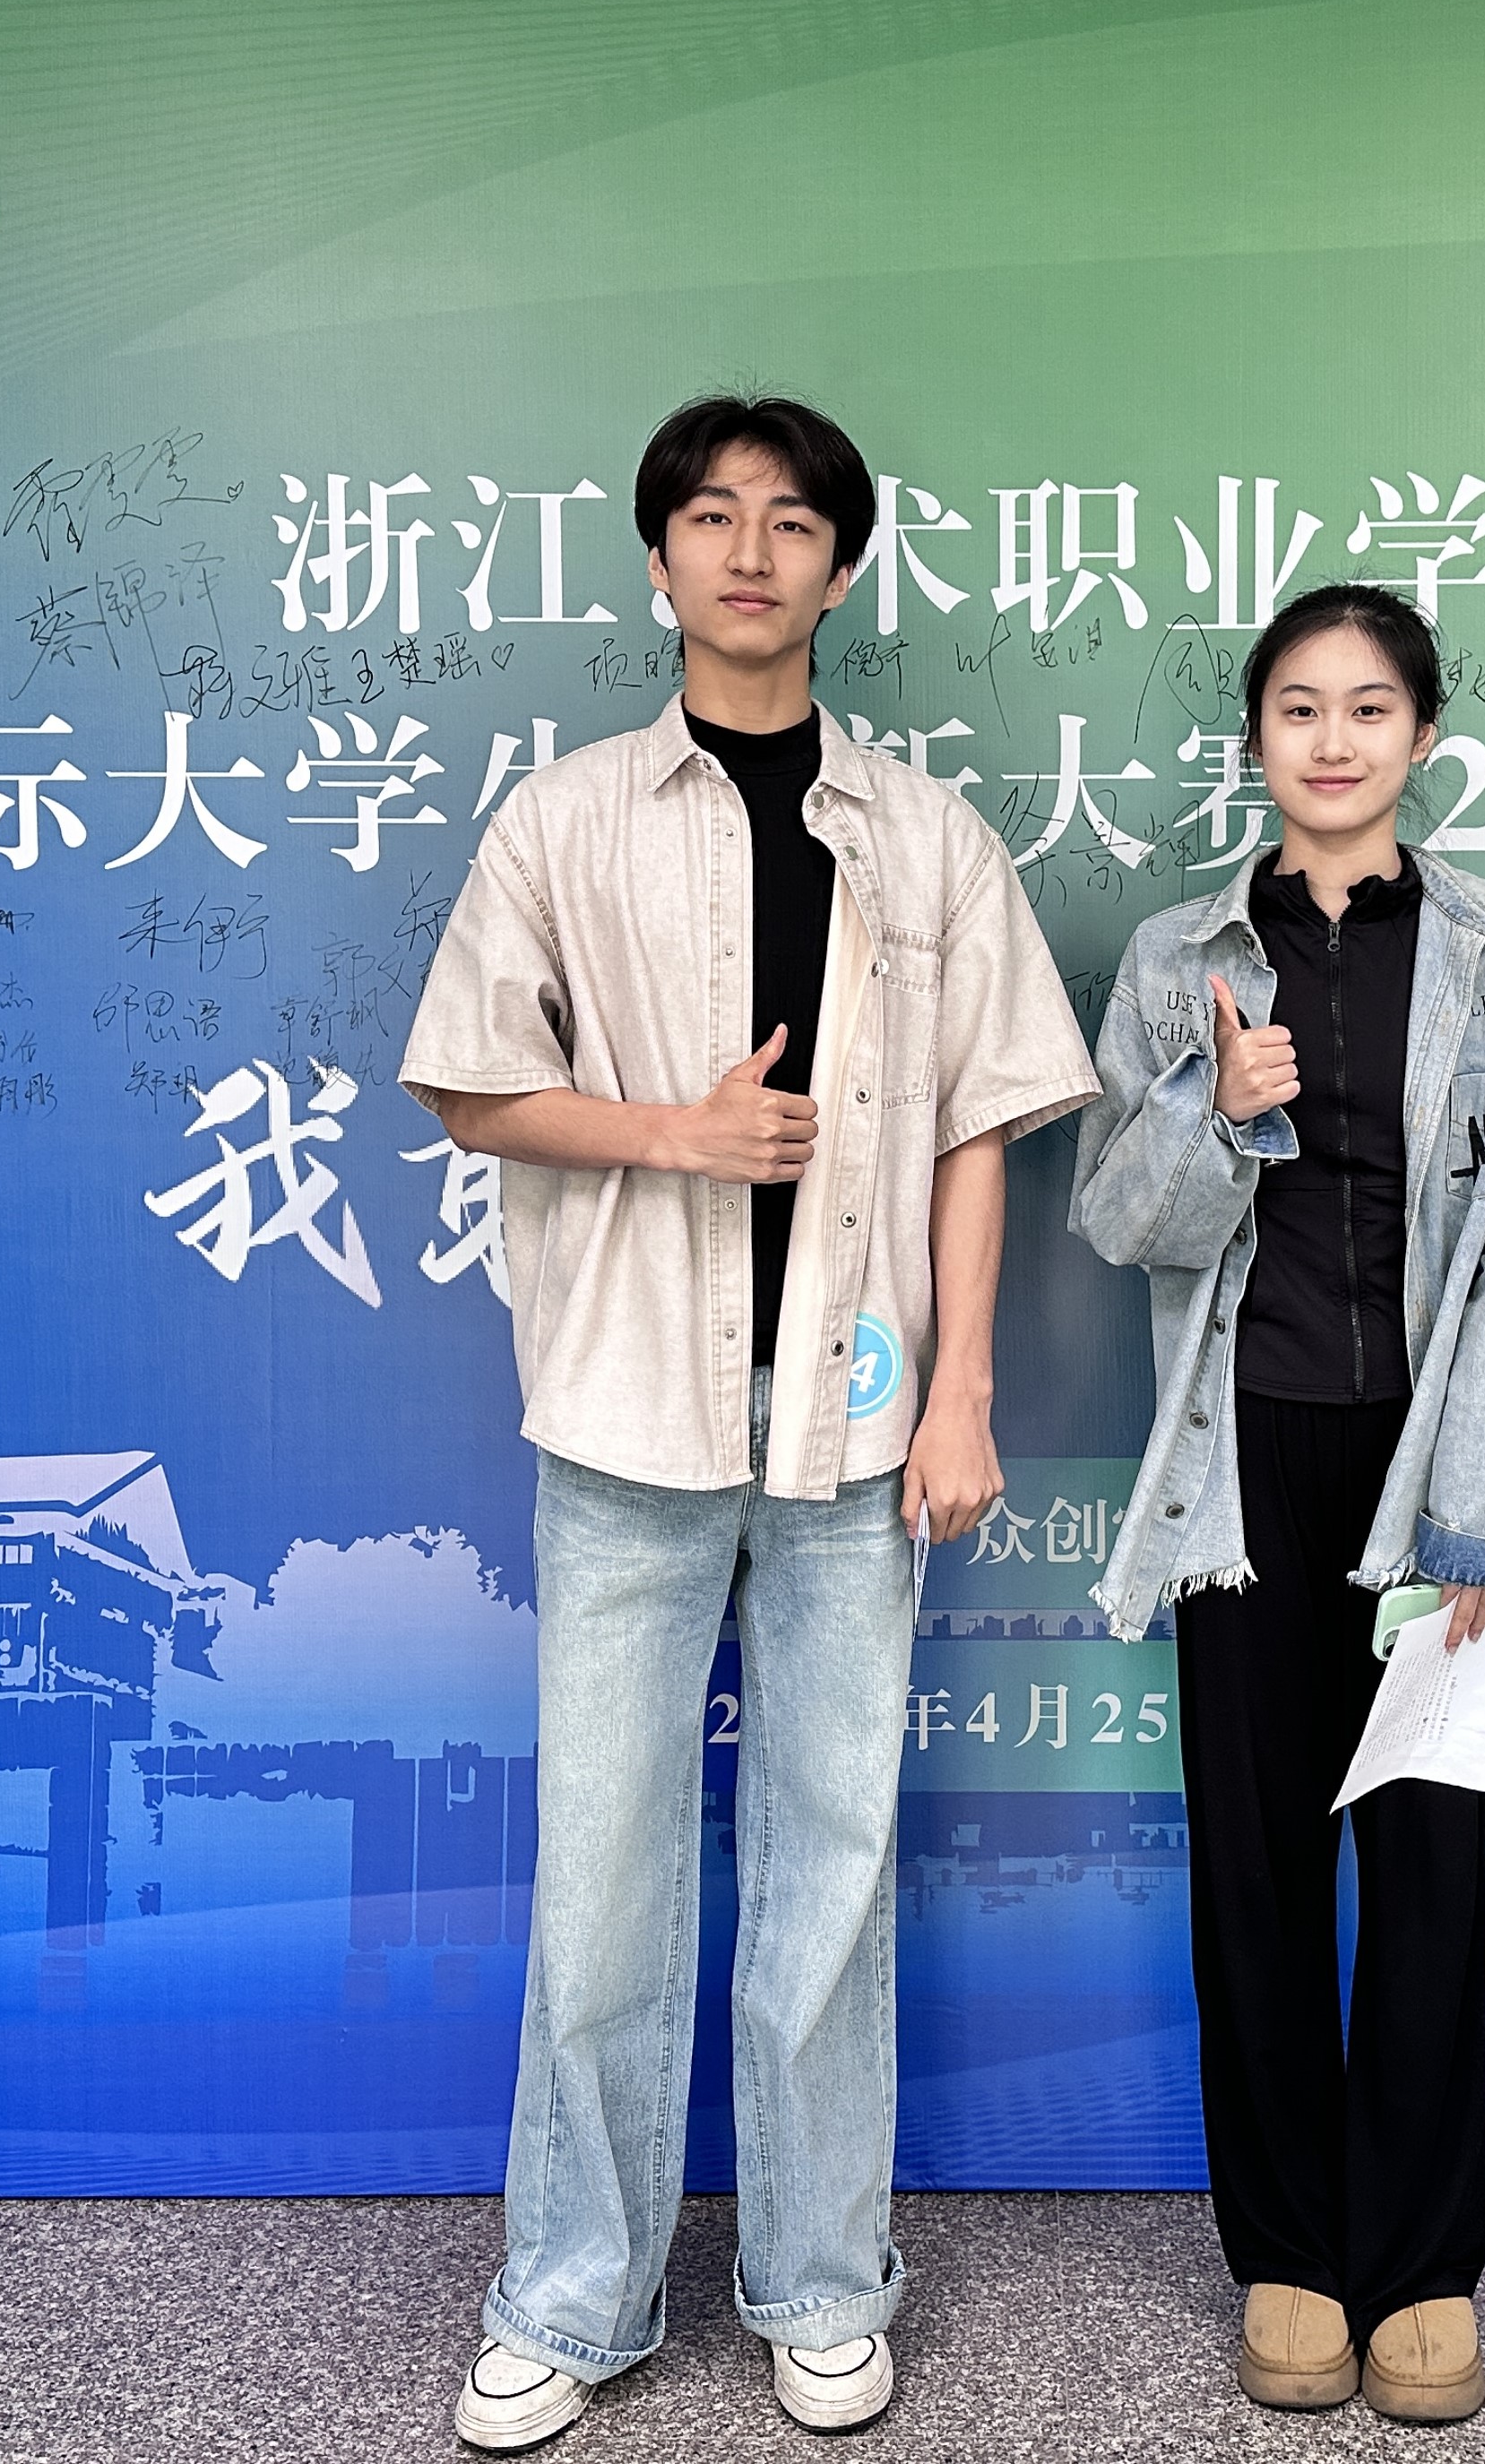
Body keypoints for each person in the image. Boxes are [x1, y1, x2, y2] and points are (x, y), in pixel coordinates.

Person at [401, 392, 1097, 2449]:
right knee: (603, 1876)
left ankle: (820, 2281)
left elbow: (979, 1126)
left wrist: (960, 1392)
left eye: (791, 523)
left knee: (832, 1862)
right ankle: (568, 2296)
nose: (748, 552)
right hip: (627, 1412)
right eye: (710, 517)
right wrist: (676, 1135)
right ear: (659, 560)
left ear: (840, 570)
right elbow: (469, 1082)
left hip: (855, 1434)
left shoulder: (927, 834)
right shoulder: (565, 819)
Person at [1070, 582, 1485, 2424]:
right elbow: (1116, 1220)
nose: (1335, 739)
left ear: (1423, 738)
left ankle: (1420, 2264)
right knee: (1260, 1864)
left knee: (1434, 1865)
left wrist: (1482, 1506)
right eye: (1299, 707)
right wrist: (1217, 1109)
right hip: (1245, 1461)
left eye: (1370, 708)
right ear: (1257, 740)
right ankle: (1287, 2250)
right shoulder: (1179, 955)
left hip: (1430, 1465)